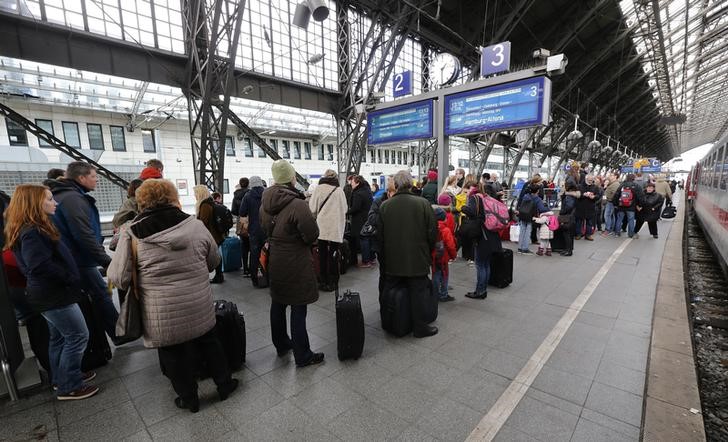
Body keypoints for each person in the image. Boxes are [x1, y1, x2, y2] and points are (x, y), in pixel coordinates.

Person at [108, 179, 238, 413]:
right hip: (198, 302)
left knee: (173, 354)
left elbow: (119, 277)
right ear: (173, 197)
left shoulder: (132, 233)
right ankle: (225, 385)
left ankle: (189, 399)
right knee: (210, 343)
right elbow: (213, 261)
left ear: (142, 201)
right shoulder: (194, 224)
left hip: (161, 310)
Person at [4, 184, 99, 400]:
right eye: (48, 199)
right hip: (54, 294)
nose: (54, 203)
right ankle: (70, 385)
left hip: (46, 295)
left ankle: (60, 378)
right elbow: (40, 266)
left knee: (58, 338)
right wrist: (69, 277)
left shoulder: (26, 228)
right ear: (34, 204)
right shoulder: (32, 232)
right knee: (77, 336)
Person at [261, 160, 324, 367]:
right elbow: (312, 234)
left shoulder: (264, 204)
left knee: (278, 303)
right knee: (298, 307)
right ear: (291, 178)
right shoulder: (297, 204)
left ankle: (281, 344)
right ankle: (303, 354)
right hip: (296, 261)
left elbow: (265, 230)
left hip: (275, 260)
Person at [48, 162, 119, 342]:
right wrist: (106, 260)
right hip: (80, 259)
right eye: (94, 176)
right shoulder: (73, 199)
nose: (96, 181)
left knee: (99, 294)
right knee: (102, 294)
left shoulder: (63, 195)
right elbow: (83, 234)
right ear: (81, 178)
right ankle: (118, 333)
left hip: (73, 259)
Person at [377, 170, 438, 338]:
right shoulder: (423, 204)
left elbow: (379, 237)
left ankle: (388, 321)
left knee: (388, 290)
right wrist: (427, 249)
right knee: (418, 293)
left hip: (392, 260)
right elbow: (432, 232)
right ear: (411, 184)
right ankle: (420, 328)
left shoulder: (384, 206)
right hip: (417, 258)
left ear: (395, 185)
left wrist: (384, 258)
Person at [461, 183, 502, 299]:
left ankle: (480, 291)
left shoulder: (475, 198)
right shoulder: (489, 198)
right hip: (492, 233)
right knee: (486, 264)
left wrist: (464, 208)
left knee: (480, 264)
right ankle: (483, 290)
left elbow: (474, 213)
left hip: (482, 234)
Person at [309, 170, 347, 292]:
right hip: (335, 227)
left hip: (322, 227)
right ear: (335, 177)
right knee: (334, 254)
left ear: (324, 176)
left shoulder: (319, 189)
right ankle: (333, 282)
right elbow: (345, 208)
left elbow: (312, 208)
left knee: (322, 254)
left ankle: (323, 281)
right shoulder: (339, 190)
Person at [194, 185, 225, 283]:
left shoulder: (205, 205)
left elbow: (203, 222)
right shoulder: (210, 202)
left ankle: (219, 276)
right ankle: (219, 275)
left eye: (196, 193)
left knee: (214, 256)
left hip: (212, 235)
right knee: (216, 255)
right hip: (215, 234)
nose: (195, 196)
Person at [238, 176, 265, 287]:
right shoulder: (267, 194)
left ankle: (256, 280)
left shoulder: (248, 196)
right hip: (267, 229)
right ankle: (268, 277)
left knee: (254, 254)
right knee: (268, 253)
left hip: (254, 229)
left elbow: (242, 212)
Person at [432, 207, 457, 302]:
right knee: (445, 275)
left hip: (434, 256)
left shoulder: (431, 228)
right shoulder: (445, 230)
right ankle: (443, 294)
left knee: (435, 274)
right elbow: (450, 245)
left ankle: (434, 293)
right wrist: (453, 255)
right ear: (444, 218)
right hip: (443, 257)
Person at [348, 175, 373, 267]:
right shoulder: (367, 190)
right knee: (368, 238)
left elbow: (355, 208)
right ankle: (371, 258)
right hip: (367, 217)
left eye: (353, 182)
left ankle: (366, 261)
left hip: (359, 219)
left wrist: (346, 212)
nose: (351, 184)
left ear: (357, 183)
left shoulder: (358, 193)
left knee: (363, 239)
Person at [515, 185, 548, 254]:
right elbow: (541, 208)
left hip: (522, 214)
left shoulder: (526, 196)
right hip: (530, 216)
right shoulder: (537, 199)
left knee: (522, 231)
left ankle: (520, 247)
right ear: (537, 191)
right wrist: (548, 209)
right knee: (528, 231)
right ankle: (525, 248)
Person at [612, 173, 644, 238]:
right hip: (631, 206)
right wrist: (640, 205)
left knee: (619, 219)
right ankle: (630, 234)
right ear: (633, 178)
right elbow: (640, 197)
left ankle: (617, 233)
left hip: (621, 206)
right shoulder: (636, 186)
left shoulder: (622, 185)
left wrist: (615, 204)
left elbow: (616, 195)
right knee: (631, 220)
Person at [232, 178, 251, 277]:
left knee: (244, 245)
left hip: (241, 221)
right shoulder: (250, 194)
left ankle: (245, 269)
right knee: (253, 245)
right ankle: (253, 267)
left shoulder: (235, 196)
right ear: (248, 184)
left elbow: (234, 211)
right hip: (250, 221)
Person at [575, 175, 600, 241]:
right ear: (586, 179)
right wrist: (583, 195)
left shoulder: (595, 187)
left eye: (591, 180)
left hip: (590, 207)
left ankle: (588, 235)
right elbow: (576, 195)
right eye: (589, 180)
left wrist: (594, 197)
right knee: (579, 221)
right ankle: (578, 234)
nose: (590, 182)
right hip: (580, 206)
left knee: (589, 222)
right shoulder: (579, 186)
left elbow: (598, 196)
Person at [559, 181, 581, 256]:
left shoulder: (569, 196)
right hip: (572, 216)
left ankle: (568, 250)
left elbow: (568, 206)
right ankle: (568, 249)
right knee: (569, 234)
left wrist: (562, 212)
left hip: (568, 217)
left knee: (567, 234)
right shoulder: (573, 195)